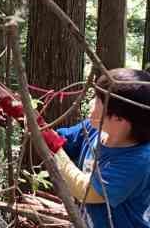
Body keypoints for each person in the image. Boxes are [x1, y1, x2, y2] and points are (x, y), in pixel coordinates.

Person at [40, 68, 150, 227]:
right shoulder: (95, 128)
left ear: (119, 119)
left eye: (98, 100)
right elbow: (61, 140)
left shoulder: (139, 161)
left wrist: (54, 146)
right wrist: (28, 117)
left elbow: (86, 190)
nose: (91, 103)